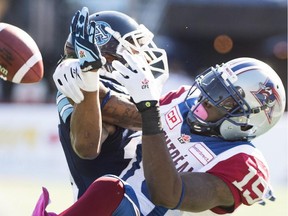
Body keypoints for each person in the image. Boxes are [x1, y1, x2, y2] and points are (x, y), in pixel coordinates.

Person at [33, 7, 286, 216]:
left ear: (248, 119)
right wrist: (79, 74)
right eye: (214, 85)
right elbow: (123, 112)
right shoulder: (185, 100)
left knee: (110, 190)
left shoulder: (241, 162)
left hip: (135, 206)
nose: (207, 99)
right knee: (105, 179)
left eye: (225, 100)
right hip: (108, 197)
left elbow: (167, 194)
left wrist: (149, 109)